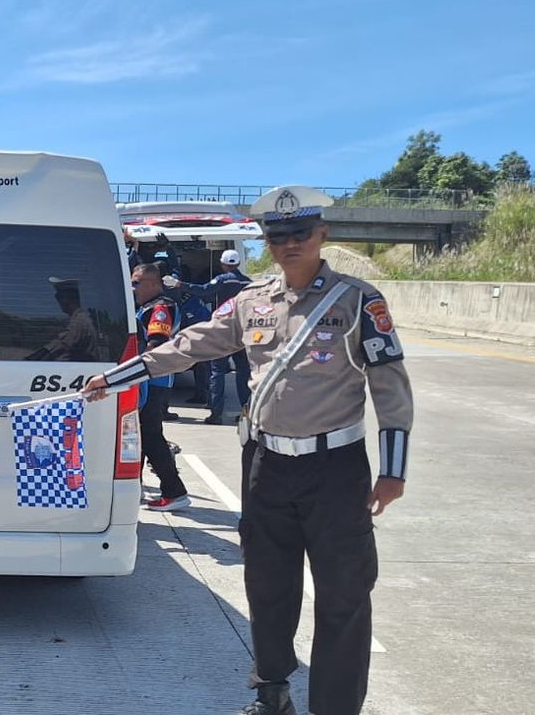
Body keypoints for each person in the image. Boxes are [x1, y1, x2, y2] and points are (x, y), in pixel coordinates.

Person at [84, 186, 413, 715]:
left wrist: (393, 470)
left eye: (299, 234)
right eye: (277, 236)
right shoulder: (253, 301)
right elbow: (189, 345)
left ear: (321, 235)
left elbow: (391, 387)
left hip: (335, 469)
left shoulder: (358, 301)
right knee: (268, 583)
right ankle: (272, 692)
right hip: (266, 465)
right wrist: (118, 376)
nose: (288, 245)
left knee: (344, 594)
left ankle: (335, 707)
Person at [164, 249, 254, 424]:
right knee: (243, 373)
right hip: (243, 331)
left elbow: (204, 290)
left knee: (217, 371)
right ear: (237, 264)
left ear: (222, 264)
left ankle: (216, 414)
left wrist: (179, 284)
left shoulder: (222, 279)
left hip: (224, 330)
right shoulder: (247, 282)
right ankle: (246, 414)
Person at [130, 263, 190, 511]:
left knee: (151, 436)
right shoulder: (146, 307)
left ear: (153, 284)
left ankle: (174, 491)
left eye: (136, 283)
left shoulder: (160, 309)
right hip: (147, 381)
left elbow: (155, 344)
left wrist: (128, 372)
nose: (132, 287)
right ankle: (139, 487)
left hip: (153, 382)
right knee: (141, 436)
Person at [26, 277, 100, 361]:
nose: (58, 301)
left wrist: (32, 359)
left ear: (69, 298)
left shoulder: (79, 321)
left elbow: (60, 345)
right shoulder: (78, 319)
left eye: (59, 297)